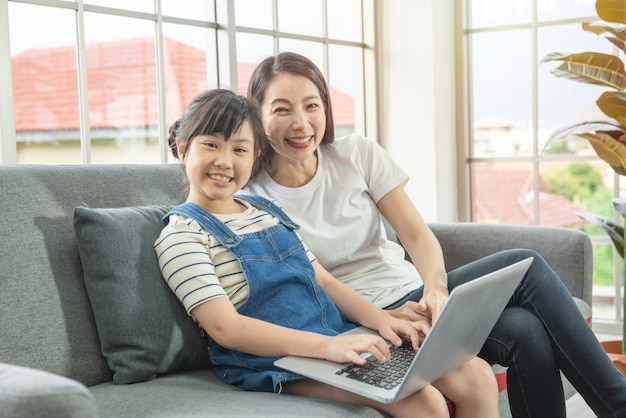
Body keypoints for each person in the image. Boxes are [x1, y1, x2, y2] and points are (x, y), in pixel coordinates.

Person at [243, 51, 626, 418]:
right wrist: (381, 317)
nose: (301, 122)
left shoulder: (356, 154)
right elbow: (311, 285)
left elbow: (417, 235)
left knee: (526, 329)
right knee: (526, 274)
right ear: (257, 117)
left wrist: (435, 290)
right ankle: (618, 404)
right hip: (363, 320)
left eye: (312, 105)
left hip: (414, 299)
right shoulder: (251, 199)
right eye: (282, 109)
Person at [156, 88, 500, 418]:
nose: (224, 161)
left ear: (255, 156)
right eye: (211, 145)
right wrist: (327, 348)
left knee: (476, 376)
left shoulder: (266, 210)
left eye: (240, 150)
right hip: (274, 360)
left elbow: (324, 280)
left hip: (334, 337)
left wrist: (383, 319)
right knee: (423, 402)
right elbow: (226, 329)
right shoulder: (182, 236)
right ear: (183, 148)